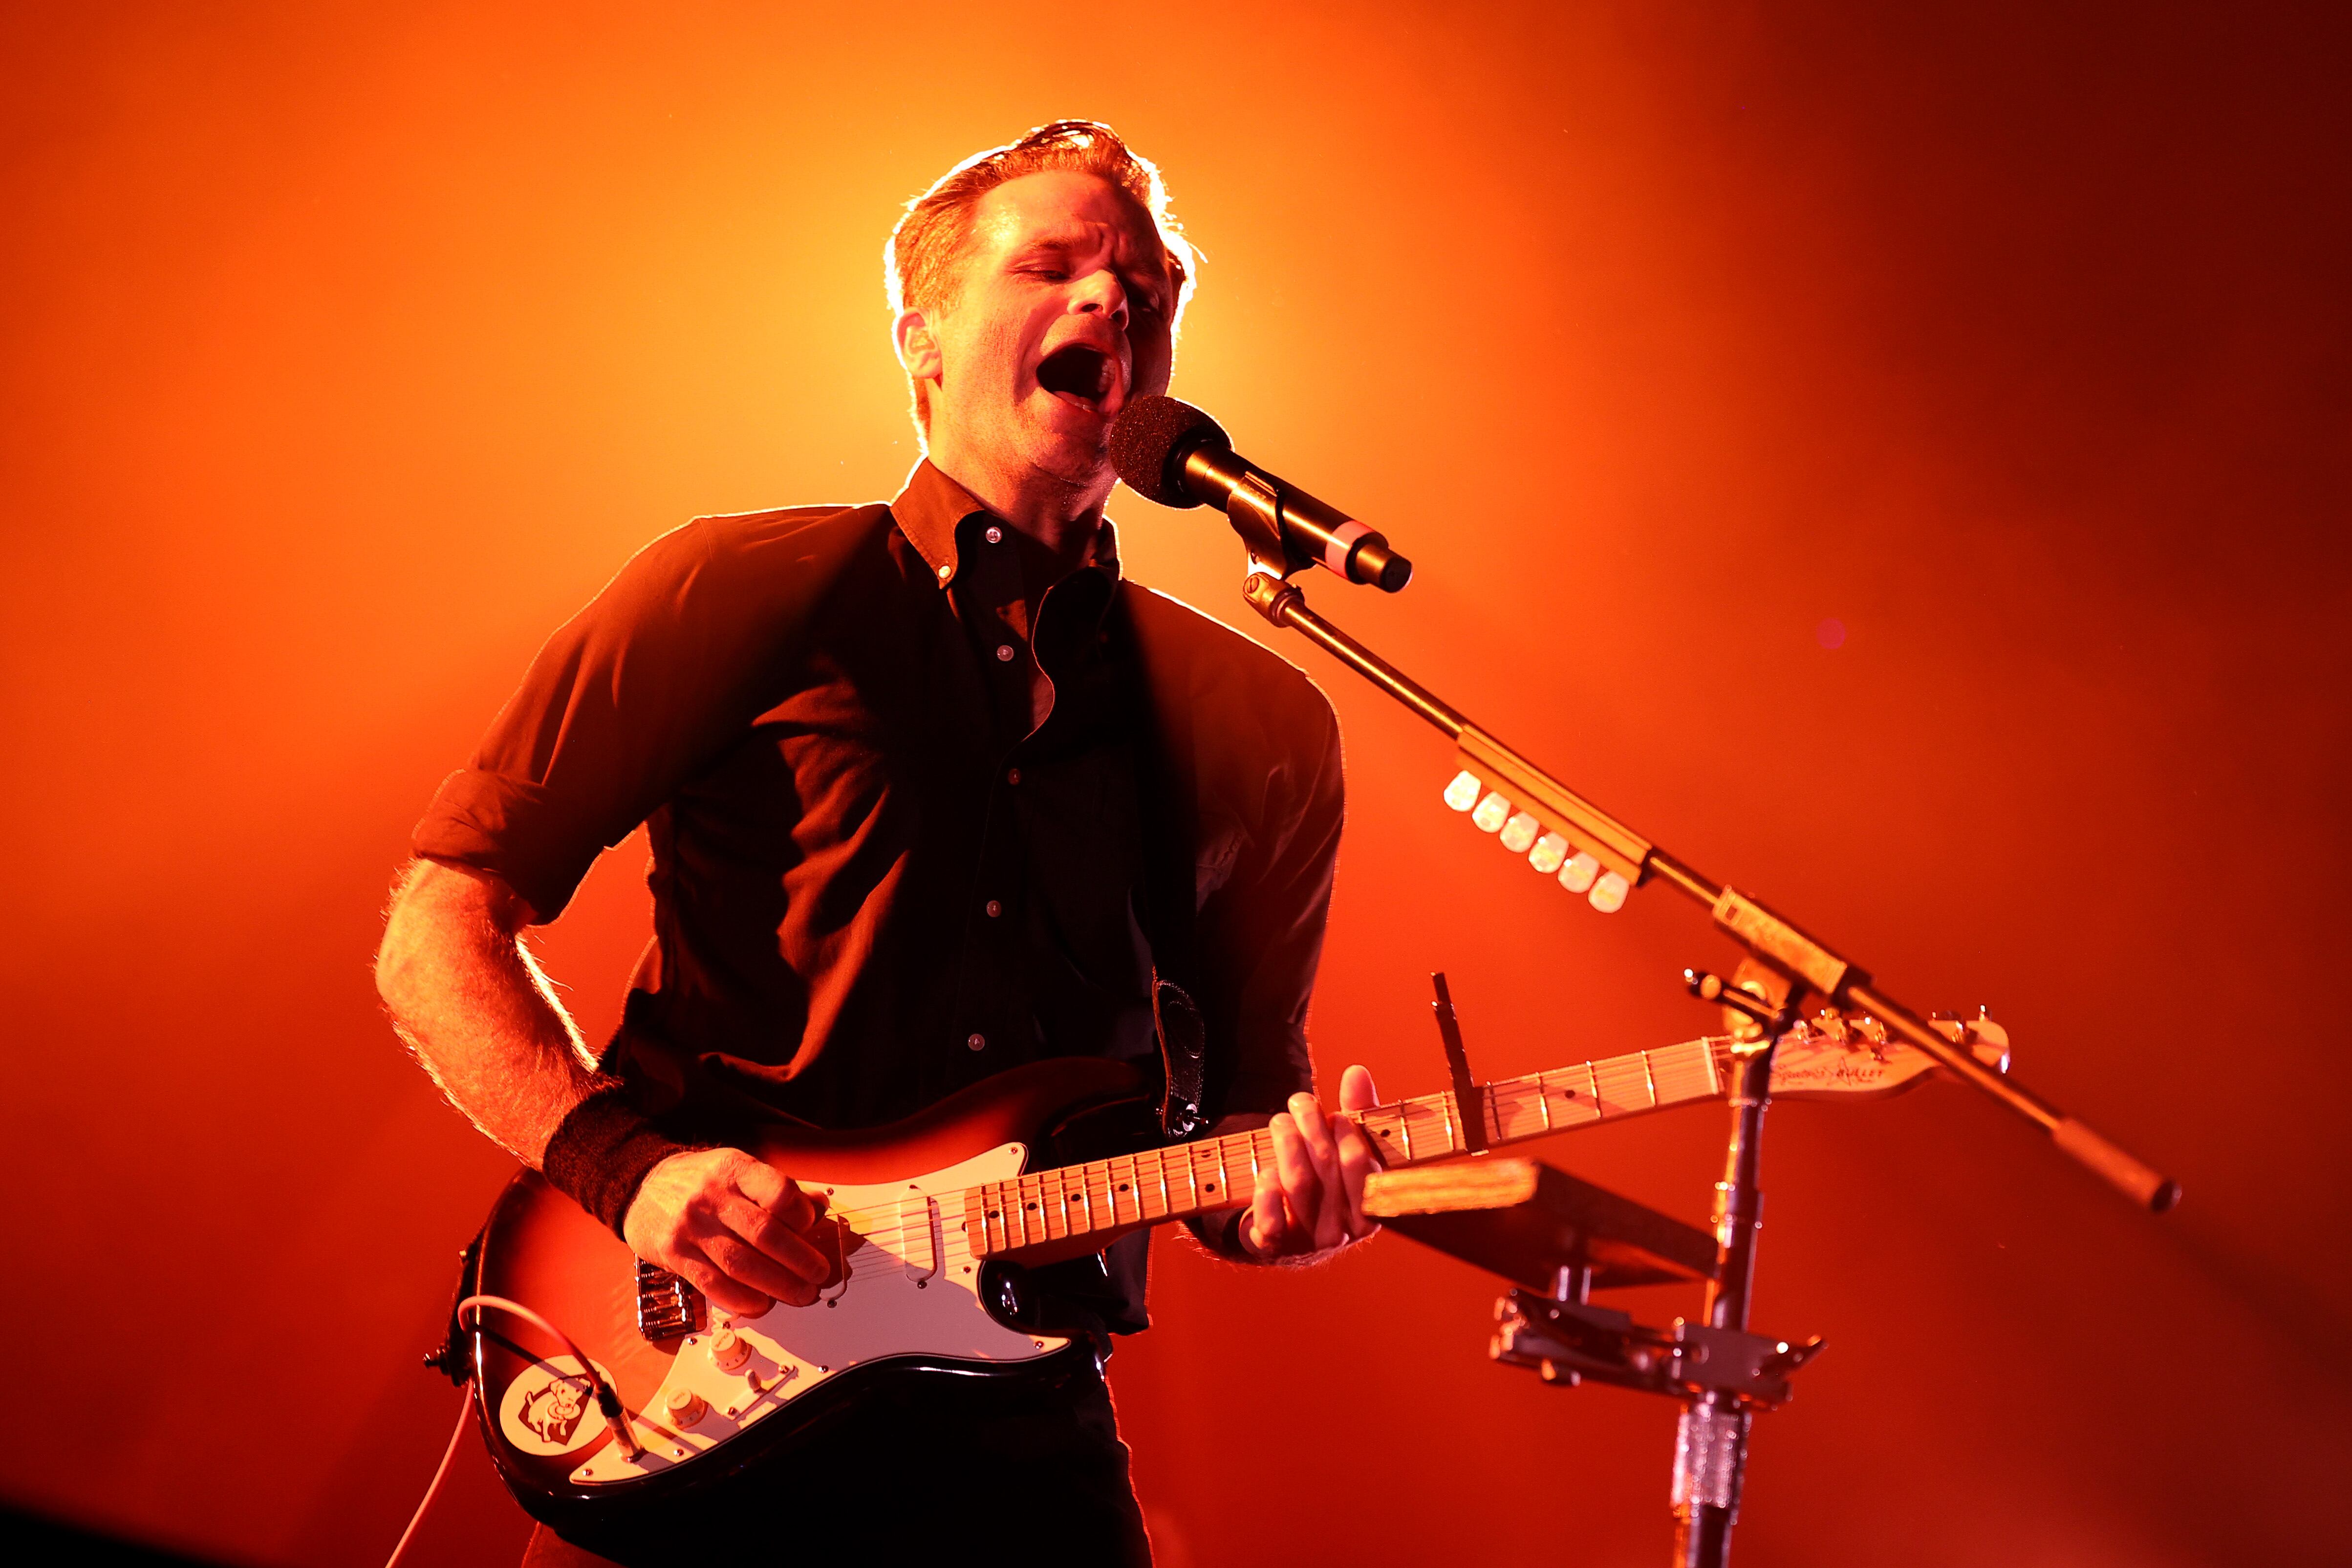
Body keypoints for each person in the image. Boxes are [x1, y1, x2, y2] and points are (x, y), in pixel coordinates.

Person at [375, 120, 1379, 1566]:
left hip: (1021, 1448)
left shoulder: (1264, 723)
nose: (1115, 300)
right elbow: (438, 924)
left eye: (1146, 283)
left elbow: (1242, 1119)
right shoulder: (737, 591)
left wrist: (1292, 1203)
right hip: (688, 1395)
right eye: (1054, 266)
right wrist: (628, 1170)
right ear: (921, 341)